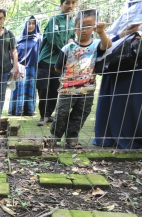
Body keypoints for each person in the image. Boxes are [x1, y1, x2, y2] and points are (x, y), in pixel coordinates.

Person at [45, 9, 112, 149]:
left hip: (87, 89)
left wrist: (101, 31)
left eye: (89, 26)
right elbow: (58, 68)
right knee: (61, 113)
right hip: (67, 89)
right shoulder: (67, 48)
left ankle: (72, 138)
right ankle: (54, 137)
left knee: (80, 114)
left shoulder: (96, 45)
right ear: (75, 29)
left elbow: (107, 45)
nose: (85, 30)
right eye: (81, 26)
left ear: (95, 26)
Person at [93, 0, 142, 149]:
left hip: (137, 57)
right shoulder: (128, 8)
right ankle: (114, 136)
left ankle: (124, 136)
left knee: (133, 98)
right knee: (121, 98)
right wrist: (125, 34)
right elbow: (113, 35)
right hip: (121, 57)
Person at [36, 0, 78, 126]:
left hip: (59, 64)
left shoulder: (72, 23)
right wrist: (66, 50)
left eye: (73, 3)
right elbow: (53, 40)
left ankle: (49, 114)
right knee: (43, 89)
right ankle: (43, 115)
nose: (70, 6)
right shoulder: (54, 20)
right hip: (46, 61)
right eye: (67, 3)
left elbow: (72, 42)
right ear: (61, 5)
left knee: (55, 89)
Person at [9, 16, 42, 116]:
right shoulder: (18, 39)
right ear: (25, 24)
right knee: (19, 88)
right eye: (29, 23)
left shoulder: (39, 38)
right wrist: (15, 65)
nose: (31, 25)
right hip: (19, 67)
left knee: (30, 88)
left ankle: (28, 110)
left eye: (33, 23)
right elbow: (12, 52)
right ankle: (16, 110)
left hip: (32, 68)